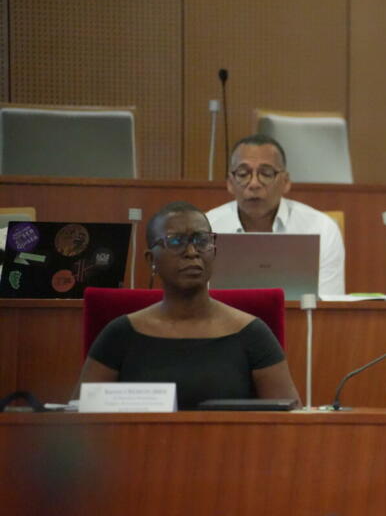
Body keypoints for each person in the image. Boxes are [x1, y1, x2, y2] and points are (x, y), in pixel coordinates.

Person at [76, 202, 300, 410]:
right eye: (175, 241)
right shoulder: (121, 334)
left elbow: (288, 422)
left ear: (214, 251)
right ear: (151, 260)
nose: (192, 252)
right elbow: (82, 419)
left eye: (201, 241)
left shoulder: (251, 333)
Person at [207, 134, 345, 295]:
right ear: (230, 183)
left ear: (285, 182)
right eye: (243, 174)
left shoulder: (322, 228)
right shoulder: (207, 227)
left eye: (266, 173)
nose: (254, 184)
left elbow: (329, 303)